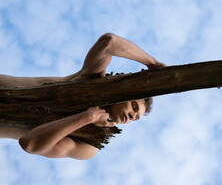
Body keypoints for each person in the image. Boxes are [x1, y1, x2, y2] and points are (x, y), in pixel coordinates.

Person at [0, 33, 166, 160]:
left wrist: (87, 117)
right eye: (134, 107)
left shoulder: (89, 142)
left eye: (135, 118)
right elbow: (109, 42)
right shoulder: (91, 80)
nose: (131, 117)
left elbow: (30, 143)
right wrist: (153, 64)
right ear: (127, 90)